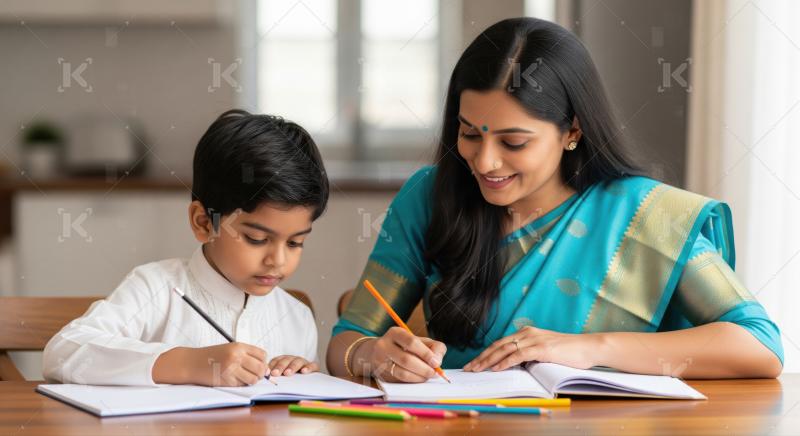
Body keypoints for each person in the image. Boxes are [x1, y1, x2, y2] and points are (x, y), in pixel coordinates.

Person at [328, 17, 783, 382]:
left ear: (573, 131)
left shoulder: (647, 215)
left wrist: (585, 347)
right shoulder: (430, 195)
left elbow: (759, 344)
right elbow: (346, 341)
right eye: (469, 134)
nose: (484, 162)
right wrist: (372, 355)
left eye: (514, 142)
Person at [44, 109, 329, 386]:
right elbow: (63, 353)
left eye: (295, 242)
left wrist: (301, 374)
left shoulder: (297, 317)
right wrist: (188, 364)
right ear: (204, 222)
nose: (277, 260)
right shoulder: (155, 288)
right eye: (256, 238)